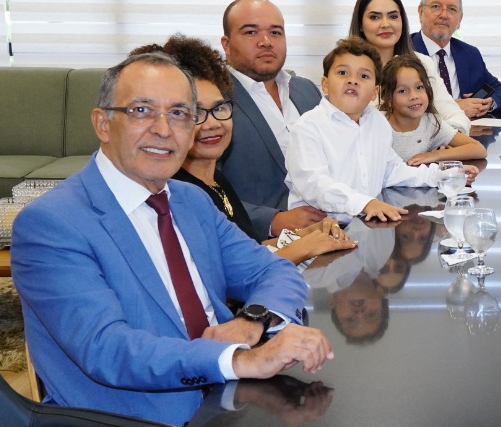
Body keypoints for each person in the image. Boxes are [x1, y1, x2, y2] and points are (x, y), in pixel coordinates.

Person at [11, 52, 334, 427]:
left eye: (180, 113)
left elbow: (274, 271)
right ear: (103, 124)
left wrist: (253, 321)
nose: (163, 129)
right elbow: (108, 350)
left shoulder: (190, 200)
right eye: (142, 111)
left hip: (230, 403)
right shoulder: (51, 224)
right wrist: (239, 360)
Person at [128, 35, 356, 266]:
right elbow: (228, 274)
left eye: (219, 108)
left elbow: (248, 250)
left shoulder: (216, 181)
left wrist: (304, 236)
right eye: (196, 113)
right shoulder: (177, 193)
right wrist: (303, 247)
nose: (212, 123)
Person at [285, 38, 469, 223]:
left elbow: (392, 171)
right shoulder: (307, 128)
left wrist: (442, 175)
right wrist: (365, 204)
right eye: (343, 73)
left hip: (367, 225)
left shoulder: (377, 122)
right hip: (320, 230)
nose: (352, 81)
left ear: (375, 92)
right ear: (325, 84)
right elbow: (316, 185)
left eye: (363, 76)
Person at [219, 0, 329, 242]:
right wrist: (271, 221)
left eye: (275, 32)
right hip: (256, 243)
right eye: (251, 32)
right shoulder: (212, 101)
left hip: (331, 231)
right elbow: (200, 189)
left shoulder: (306, 90)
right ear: (226, 44)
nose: (266, 42)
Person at [347, 0, 470, 132]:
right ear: (360, 24)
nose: (385, 24)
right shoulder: (345, 70)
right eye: (375, 17)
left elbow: (456, 117)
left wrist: (444, 141)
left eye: (393, 16)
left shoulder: (422, 63)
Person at [410, 0, 501, 119]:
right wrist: (453, 108)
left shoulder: (470, 54)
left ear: (459, 20)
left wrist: (489, 103)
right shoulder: (404, 51)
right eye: (436, 6)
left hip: (468, 131)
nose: (444, 15)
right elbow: (396, 105)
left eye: (452, 9)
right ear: (421, 12)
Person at [378, 54, 487, 165]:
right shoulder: (377, 123)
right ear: (388, 98)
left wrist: (434, 155)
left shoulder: (431, 123)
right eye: (402, 91)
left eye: (419, 87)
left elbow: (478, 149)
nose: (414, 96)